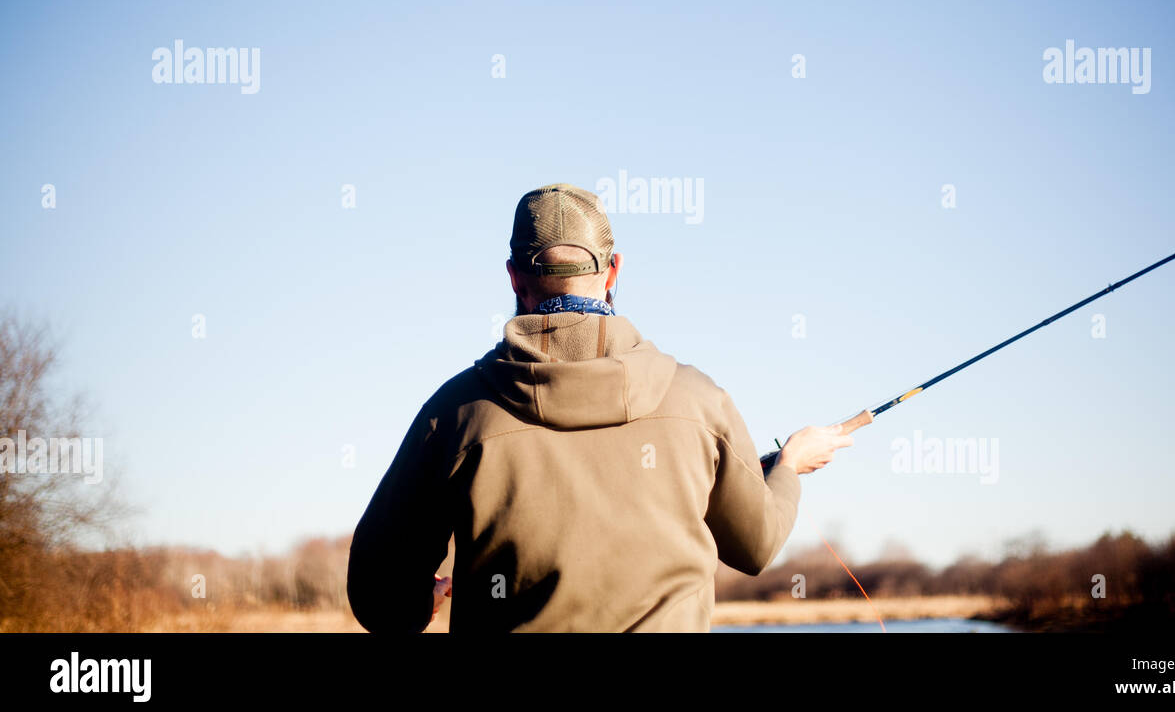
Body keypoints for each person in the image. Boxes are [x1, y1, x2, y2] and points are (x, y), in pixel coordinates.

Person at [346, 183, 851, 632]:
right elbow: (756, 544)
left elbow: (379, 598)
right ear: (613, 271)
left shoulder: (454, 414)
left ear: (514, 277)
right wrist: (788, 467)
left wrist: (417, 604)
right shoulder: (699, 400)